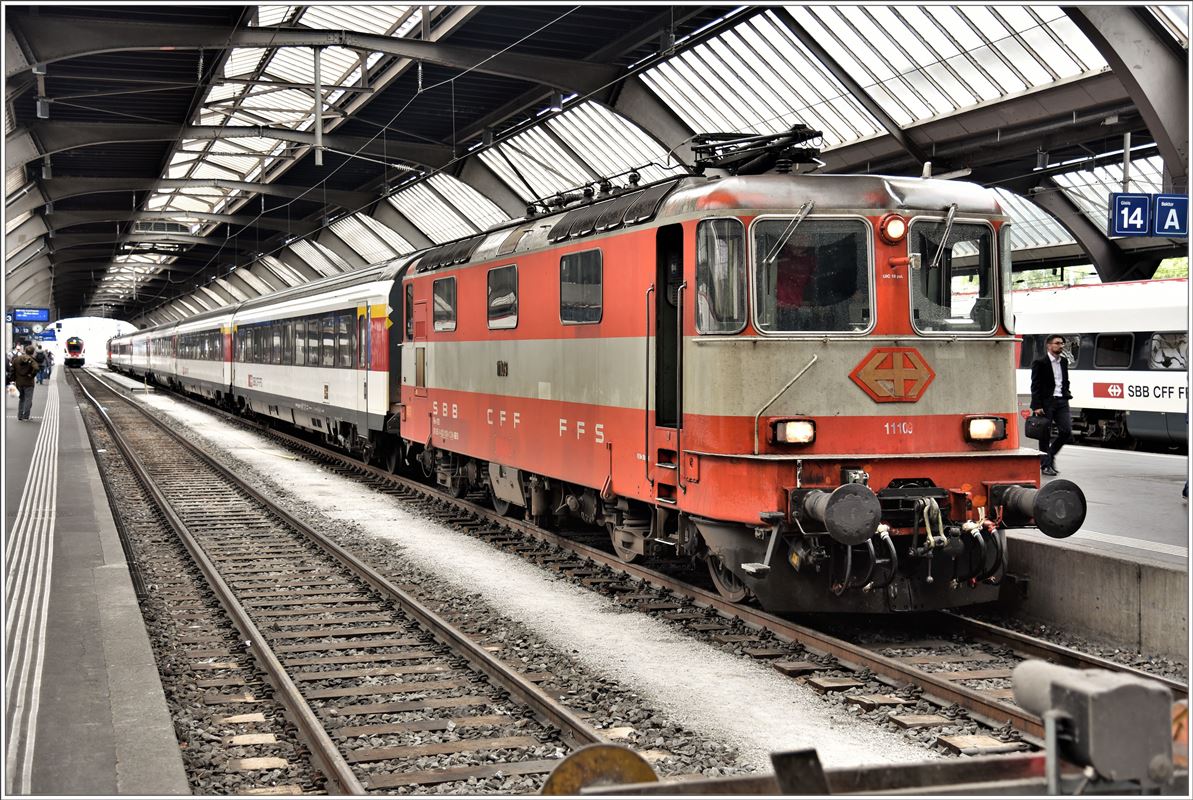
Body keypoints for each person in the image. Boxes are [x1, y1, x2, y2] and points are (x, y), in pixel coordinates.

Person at [1030, 334, 1072, 476]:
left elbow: (1064, 380)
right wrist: (1037, 405)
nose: (1061, 346)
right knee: (1044, 435)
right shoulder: (1040, 362)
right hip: (1046, 403)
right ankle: (1045, 465)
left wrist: (1066, 391)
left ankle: (1050, 454)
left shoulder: (1064, 362)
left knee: (1066, 431)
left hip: (1062, 401)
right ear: (1049, 345)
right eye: (1057, 343)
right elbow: (1035, 385)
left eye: (1062, 343)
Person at [12, 344, 39, 421]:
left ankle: (20, 416)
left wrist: (13, 379)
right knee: (28, 400)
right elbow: (36, 368)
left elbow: (12, 370)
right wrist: (32, 375)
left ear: (25, 351)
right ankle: (26, 416)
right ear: (33, 352)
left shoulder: (16, 359)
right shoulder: (31, 360)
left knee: (22, 399)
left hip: (19, 382)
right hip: (28, 383)